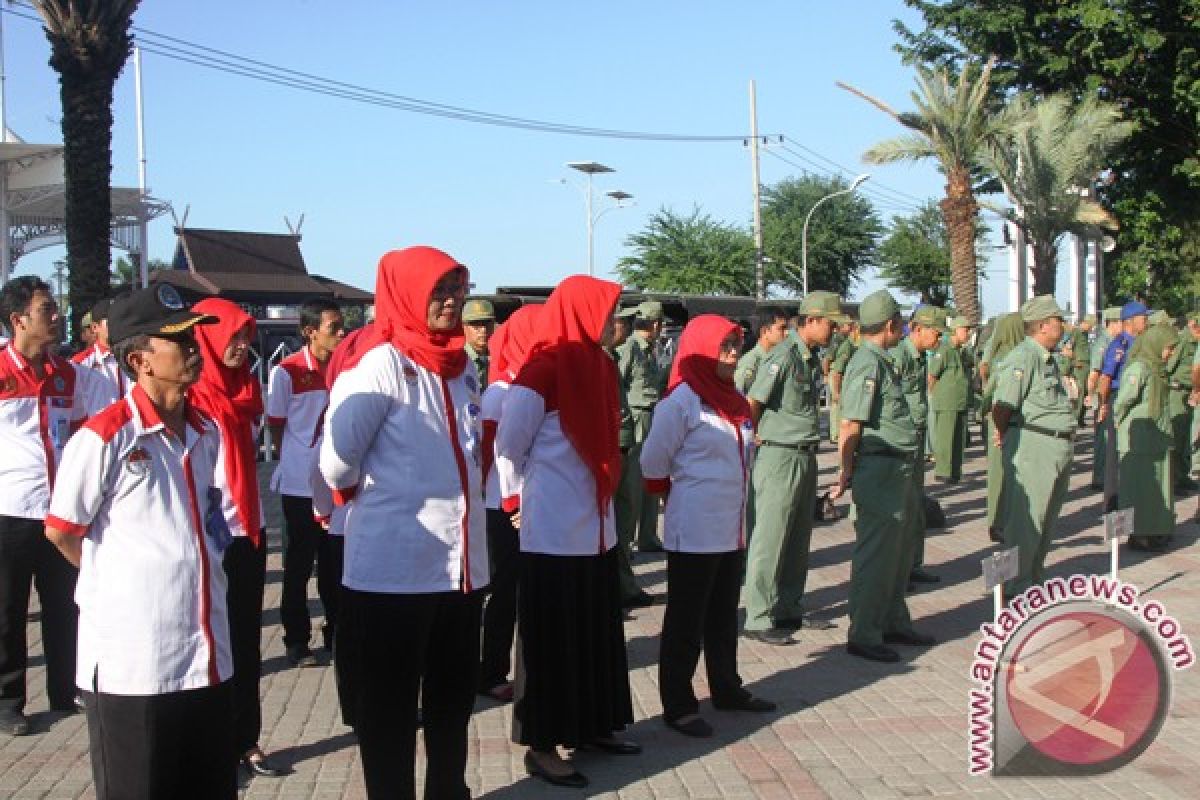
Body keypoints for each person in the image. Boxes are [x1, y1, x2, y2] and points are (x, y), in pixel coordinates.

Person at [44, 285, 236, 799]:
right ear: (139, 360)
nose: (195, 347)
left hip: (205, 654)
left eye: (196, 335)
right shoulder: (105, 437)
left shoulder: (205, 429)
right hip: (136, 663)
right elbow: (62, 529)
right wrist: (116, 583)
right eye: (179, 339)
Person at [319, 247, 489, 799]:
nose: (451, 302)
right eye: (439, 291)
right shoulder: (381, 363)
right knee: (389, 709)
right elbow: (336, 461)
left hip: (458, 568)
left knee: (452, 699)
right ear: (407, 295)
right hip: (395, 570)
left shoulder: (460, 366)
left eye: (457, 290)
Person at [496, 276, 636, 789]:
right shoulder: (542, 368)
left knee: (595, 634)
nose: (614, 321)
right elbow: (509, 446)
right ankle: (542, 743)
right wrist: (517, 503)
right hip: (552, 530)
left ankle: (594, 724)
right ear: (581, 312)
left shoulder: (601, 365)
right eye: (608, 310)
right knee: (550, 640)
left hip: (596, 527)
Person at [641, 315, 776, 738]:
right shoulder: (681, 402)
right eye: (725, 348)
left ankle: (726, 687)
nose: (733, 356)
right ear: (701, 349)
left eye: (736, 346)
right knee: (686, 621)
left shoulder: (733, 398)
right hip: (695, 528)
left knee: (721, 616)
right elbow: (652, 463)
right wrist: (673, 492)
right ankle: (678, 705)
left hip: (730, 527)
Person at [188, 298, 283, 779]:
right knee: (204, 643)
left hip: (245, 528)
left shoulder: (247, 389)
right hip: (202, 535)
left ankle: (245, 739)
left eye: (247, 336)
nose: (242, 346)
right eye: (233, 335)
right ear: (205, 337)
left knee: (244, 643)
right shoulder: (188, 394)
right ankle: (205, 744)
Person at [0, 276, 86, 736]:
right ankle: (8, 701)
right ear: (18, 320)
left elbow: (78, 433)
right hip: (8, 510)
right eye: (46, 310)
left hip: (57, 511)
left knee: (64, 604)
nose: (56, 317)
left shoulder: (67, 374)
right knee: (7, 610)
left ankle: (64, 689)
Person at [830, 289, 935, 664]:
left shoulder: (883, 360)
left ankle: (892, 620)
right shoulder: (867, 362)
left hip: (898, 467)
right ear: (891, 325)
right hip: (880, 468)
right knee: (876, 556)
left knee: (899, 553)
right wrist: (845, 473)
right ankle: (865, 631)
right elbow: (850, 424)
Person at [741, 291, 846, 645]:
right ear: (812, 320)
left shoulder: (809, 357)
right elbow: (753, 401)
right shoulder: (782, 356)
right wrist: (755, 440)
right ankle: (759, 616)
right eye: (831, 322)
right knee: (769, 538)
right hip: (779, 455)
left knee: (797, 538)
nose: (835, 329)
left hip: (803, 454)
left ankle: (788, 607)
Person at [266, 297, 345, 666]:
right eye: (334, 328)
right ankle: (296, 640)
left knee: (334, 563)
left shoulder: (346, 368)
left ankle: (336, 632)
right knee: (298, 565)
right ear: (310, 332)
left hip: (335, 483)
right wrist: (295, 461)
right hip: (299, 485)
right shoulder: (287, 371)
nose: (341, 333)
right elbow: (277, 424)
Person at [991, 295, 1077, 597]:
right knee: (1026, 524)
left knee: (1045, 522)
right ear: (1042, 325)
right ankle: (1016, 587)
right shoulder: (1023, 357)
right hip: (1034, 444)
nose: (1063, 325)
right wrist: (1005, 434)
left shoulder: (1046, 358)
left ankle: (1033, 580)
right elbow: (1002, 406)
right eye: (1058, 321)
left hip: (1053, 446)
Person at [477, 305, 541, 704]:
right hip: (503, 504)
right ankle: (490, 671)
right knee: (504, 591)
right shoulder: (500, 391)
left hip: (523, 501)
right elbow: (493, 454)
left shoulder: (525, 383)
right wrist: (511, 499)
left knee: (518, 589)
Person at [892, 305, 947, 585]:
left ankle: (914, 563)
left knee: (915, 507)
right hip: (900, 442)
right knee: (902, 507)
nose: (939, 339)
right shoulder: (898, 357)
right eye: (935, 333)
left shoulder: (920, 357)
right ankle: (899, 569)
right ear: (916, 329)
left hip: (916, 440)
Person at [1115, 324, 1178, 551]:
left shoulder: (1158, 369)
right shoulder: (1139, 369)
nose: (1170, 353)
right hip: (1140, 440)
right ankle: (1139, 533)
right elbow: (1123, 402)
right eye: (1168, 348)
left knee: (1158, 488)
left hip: (1157, 438)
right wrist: (1119, 425)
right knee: (1139, 488)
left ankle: (1157, 528)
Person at [615, 300, 669, 553]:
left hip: (652, 415)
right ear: (656, 324)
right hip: (637, 417)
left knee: (653, 476)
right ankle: (626, 543)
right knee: (634, 484)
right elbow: (619, 383)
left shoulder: (651, 349)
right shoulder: (631, 348)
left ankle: (648, 536)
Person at [1097, 301, 1150, 510]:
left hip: (1136, 400)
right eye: (1143, 318)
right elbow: (1106, 377)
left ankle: (1134, 495)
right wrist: (1103, 404)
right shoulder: (1120, 344)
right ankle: (1114, 501)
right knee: (1116, 452)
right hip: (1118, 397)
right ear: (1130, 321)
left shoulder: (1141, 343)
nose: (1146, 322)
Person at [979, 312, 1025, 543]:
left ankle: (1002, 521)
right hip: (1004, 422)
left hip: (1003, 421)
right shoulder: (1013, 357)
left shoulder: (1000, 355)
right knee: (1001, 476)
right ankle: (998, 522)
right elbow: (993, 393)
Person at [928, 316, 974, 483]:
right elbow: (932, 375)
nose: (969, 333)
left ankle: (955, 471)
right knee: (945, 438)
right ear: (956, 330)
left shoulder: (962, 351)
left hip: (960, 400)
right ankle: (943, 471)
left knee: (959, 439)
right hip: (947, 401)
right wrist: (936, 395)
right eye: (966, 329)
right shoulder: (945, 350)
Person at [73, 297, 127, 416]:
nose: (117, 325)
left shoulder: (135, 358)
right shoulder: (80, 365)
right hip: (99, 431)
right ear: (95, 328)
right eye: (111, 321)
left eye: (120, 319)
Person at [1088, 308, 1122, 488]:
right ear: (1113, 323)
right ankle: (1100, 477)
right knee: (1103, 438)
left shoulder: (1115, 342)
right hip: (1103, 394)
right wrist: (1093, 397)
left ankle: (1105, 475)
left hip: (1108, 393)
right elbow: (1095, 374)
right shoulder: (1103, 343)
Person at [1166, 315, 1199, 491]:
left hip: (1190, 394)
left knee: (1186, 438)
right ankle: (1172, 479)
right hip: (1177, 393)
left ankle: (1183, 474)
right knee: (1176, 437)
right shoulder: (1181, 341)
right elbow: (1169, 366)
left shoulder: (1196, 343)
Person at [734, 308, 789, 394]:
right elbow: (740, 397)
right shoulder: (751, 363)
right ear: (764, 331)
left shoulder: (776, 358)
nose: (787, 333)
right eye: (782, 328)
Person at [828, 319, 859, 444]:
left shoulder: (852, 345)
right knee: (837, 407)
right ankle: (835, 435)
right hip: (837, 377)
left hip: (842, 377)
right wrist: (836, 390)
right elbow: (837, 370)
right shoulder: (846, 345)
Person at [462, 297, 495, 386]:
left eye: (487, 323)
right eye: (476, 324)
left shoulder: (498, 359)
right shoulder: (459, 362)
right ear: (464, 327)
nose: (483, 329)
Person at [1069, 315, 1095, 426]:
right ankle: (1075, 418)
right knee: (1079, 393)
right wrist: (1074, 361)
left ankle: (1080, 418)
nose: (1091, 328)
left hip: (1086, 365)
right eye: (1090, 325)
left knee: (1085, 392)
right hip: (1079, 366)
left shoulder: (1085, 333)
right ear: (1085, 323)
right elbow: (1068, 348)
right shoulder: (1076, 332)